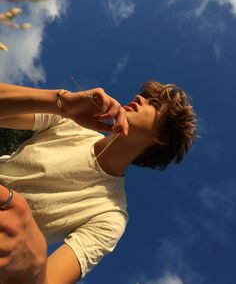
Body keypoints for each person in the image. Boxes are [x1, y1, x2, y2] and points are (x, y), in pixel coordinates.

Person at [0, 81, 196, 284]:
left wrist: (32, 263)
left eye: (154, 104)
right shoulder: (71, 122)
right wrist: (63, 103)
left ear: (162, 137)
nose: (140, 99)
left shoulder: (110, 216)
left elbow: (49, 280)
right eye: (145, 96)